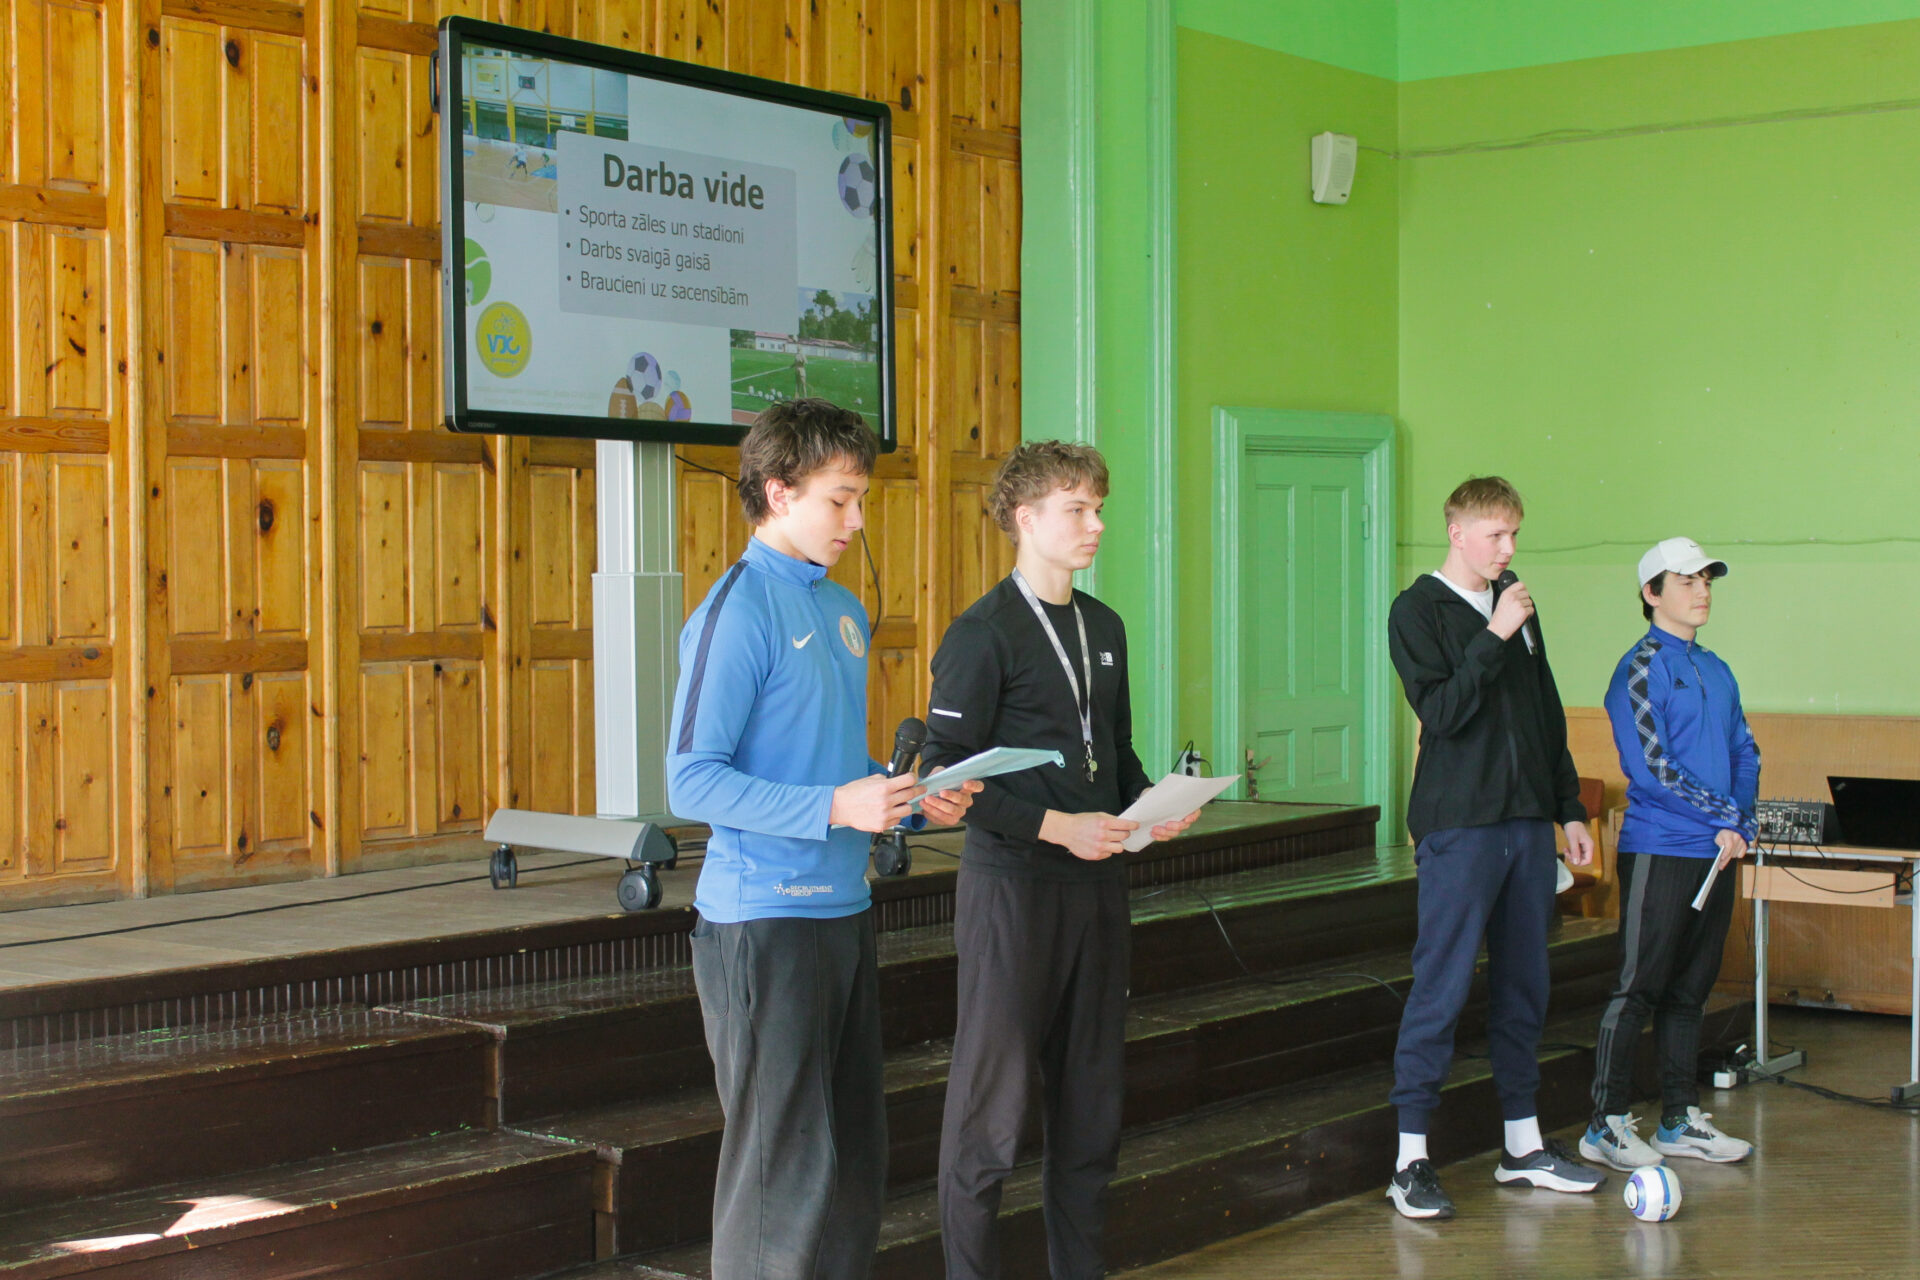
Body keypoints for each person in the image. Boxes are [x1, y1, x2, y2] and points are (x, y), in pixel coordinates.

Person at [666, 398, 980, 1280]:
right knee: (781, 1177)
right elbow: (691, 781)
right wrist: (840, 808)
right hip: (763, 921)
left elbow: (834, 769)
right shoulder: (736, 612)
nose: (856, 519)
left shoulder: (841, 609)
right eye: (839, 499)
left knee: (848, 1166)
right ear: (778, 492)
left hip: (841, 911)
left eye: (861, 499)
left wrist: (910, 801)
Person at [923, 440, 1199, 1280]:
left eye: (1098, 508)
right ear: (1025, 518)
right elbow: (946, 777)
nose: (1096, 524)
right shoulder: (981, 633)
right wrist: (1055, 827)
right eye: (1078, 509)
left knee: (1090, 1109)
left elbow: (1114, 752)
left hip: (1098, 889)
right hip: (1014, 892)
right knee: (992, 1114)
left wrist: (1157, 804)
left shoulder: (1104, 625)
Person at [1383, 475, 1604, 1220]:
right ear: (1457, 532)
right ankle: (1410, 1159)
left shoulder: (1516, 602)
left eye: (1514, 535)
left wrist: (1568, 809)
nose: (1508, 549)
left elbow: (1544, 712)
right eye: (1495, 535)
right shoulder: (1417, 610)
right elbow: (1442, 713)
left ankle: (1522, 1145)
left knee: (1524, 986)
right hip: (1459, 824)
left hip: (1525, 824)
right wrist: (1495, 634)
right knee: (1442, 986)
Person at [1579, 538, 1758, 1172]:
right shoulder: (1639, 668)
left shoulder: (1716, 667)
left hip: (1719, 850)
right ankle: (1604, 1124)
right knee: (1639, 988)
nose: (1702, 591)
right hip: (1660, 848)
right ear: (1651, 593)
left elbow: (1745, 751)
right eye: (1686, 581)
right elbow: (1653, 770)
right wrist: (1726, 817)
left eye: (1707, 580)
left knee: (1691, 990)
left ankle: (1679, 1119)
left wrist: (1741, 825)